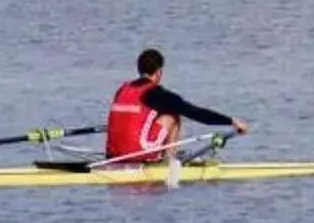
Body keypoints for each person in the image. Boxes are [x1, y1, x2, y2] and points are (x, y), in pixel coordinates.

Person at [104, 48, 247, 163]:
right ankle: (168, 161)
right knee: (173, 116)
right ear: (159, 72)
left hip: (113, 154)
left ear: (139, 70)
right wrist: (231, 121)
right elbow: (195, 112)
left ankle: (156, 155)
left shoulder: (123, 89)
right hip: (137, 154)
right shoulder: (157, 93)